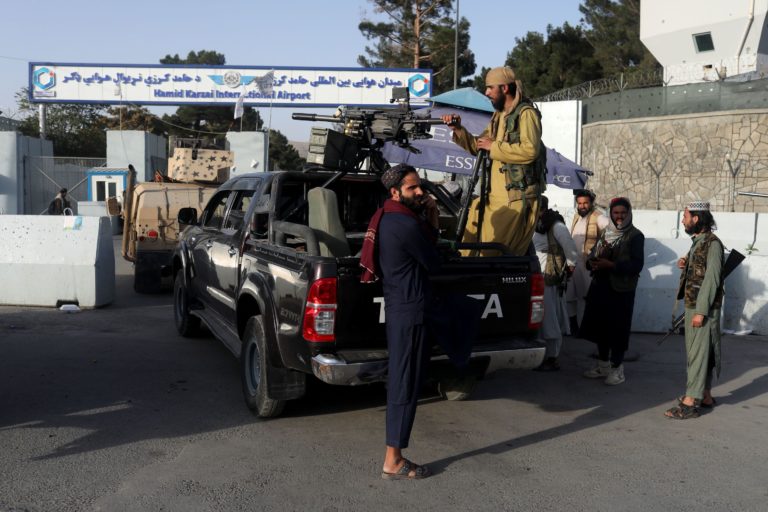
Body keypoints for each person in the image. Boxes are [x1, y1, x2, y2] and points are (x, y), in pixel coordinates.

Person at [360, 164, 440, 480]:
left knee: (403, 379)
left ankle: (394, 454)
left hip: (402, 308)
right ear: (395, 192)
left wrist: (428, 219)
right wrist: (432, 221)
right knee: (404, 383)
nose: (420, 192)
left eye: (419, 186)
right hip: (410, 312)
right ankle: (393, 459)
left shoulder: (391, 218)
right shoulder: (405, 225)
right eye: (412, 188)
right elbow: (433, 260)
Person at [441, 66, 546, 256]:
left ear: (504, 88)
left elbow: (530, 150)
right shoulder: (498, 116)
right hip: (494, 197)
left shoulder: (526, 114)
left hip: (514, 199)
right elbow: (479, 147)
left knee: (492, 255)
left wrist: (494, 147)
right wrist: (457, 129)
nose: (486, 92)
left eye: (490, 88)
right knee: (470, 249)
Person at [665, 201, 723, 420]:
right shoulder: (699, 242)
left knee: (697, 355)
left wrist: (701, 311)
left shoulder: (713, 244)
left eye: (686, 216)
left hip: (701, 307)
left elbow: (712, 278)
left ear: (696, 219)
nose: (683, 220)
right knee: (701, 353)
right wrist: (685, 262)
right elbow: (701, 268)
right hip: (694, 305)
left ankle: (691, 401)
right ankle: (705, 395)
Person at [580, 197, 645, 385]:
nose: (619, 217)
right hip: (601, 286)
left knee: (618, 329)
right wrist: (591, 262)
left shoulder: (635, 236)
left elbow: (637, 265)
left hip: (621, 291)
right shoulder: (606, 233)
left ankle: (618, 369)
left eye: (623, 213)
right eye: (616, 213)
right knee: (601, 327)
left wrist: (612, 265)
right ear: (611, 214)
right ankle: (603, 365)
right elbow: (593, 253)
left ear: (629, 213)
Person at [532, 196, 578, 371]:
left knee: (549, 318)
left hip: (549, 278)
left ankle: (552, 357)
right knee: (539, 318)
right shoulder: (532, 223)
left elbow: (570, 247)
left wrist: (571, 265)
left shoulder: (555, 225)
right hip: (536, 277)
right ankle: (542, 355)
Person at [567, 189, 609, 333]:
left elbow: (612, 230)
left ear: (591, 203)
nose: (582, 206)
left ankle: (587, 329)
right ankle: (574, 328)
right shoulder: (576, 217)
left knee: (588, 298)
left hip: (587, 264)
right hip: (573, 263)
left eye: (585, 203)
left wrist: (602, 251)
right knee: (570, 296)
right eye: (580, 203)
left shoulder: (599, 217)